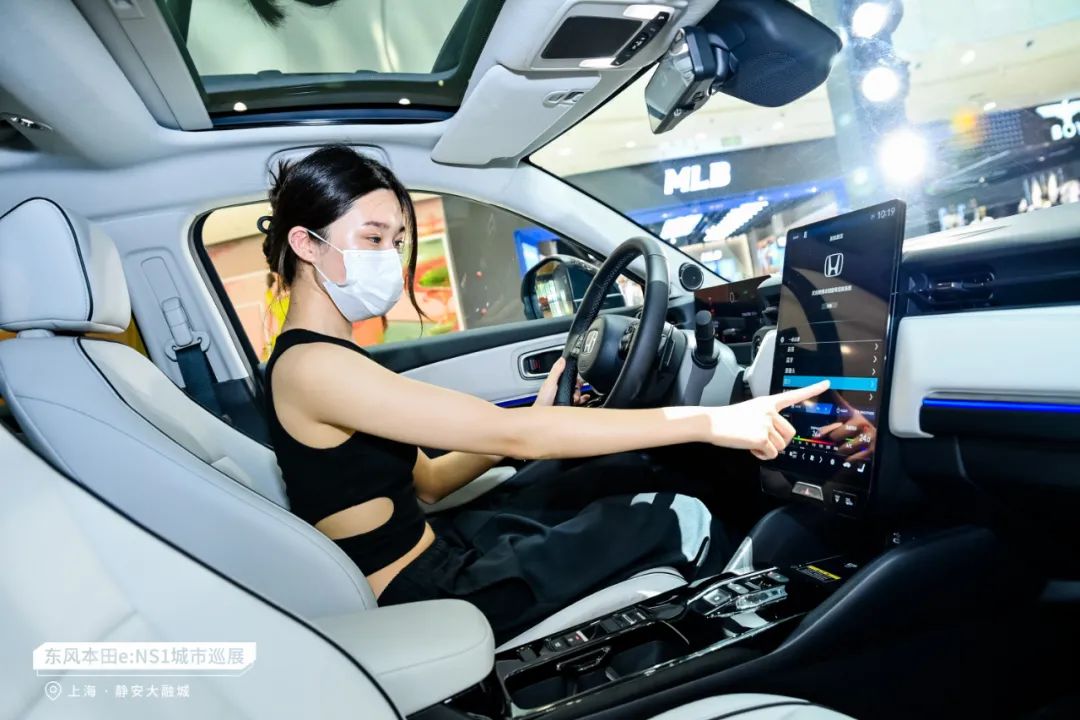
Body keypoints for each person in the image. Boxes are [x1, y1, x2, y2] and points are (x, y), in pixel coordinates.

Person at [259, 145, 827, 643]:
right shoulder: (314, 368)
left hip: (439, 550)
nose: (389, 256)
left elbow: (427, 483)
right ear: (306, 244)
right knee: (678, 517)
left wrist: (533, 419)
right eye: (373, 238)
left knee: (614, 474)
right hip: (428, 591)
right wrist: (710, 421)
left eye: (397, 241)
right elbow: (514, 435)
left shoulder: (326, 359)